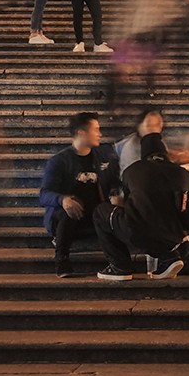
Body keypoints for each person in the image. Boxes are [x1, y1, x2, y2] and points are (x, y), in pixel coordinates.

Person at [94, 133, 189, 280]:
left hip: (140, 232)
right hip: (177, 234)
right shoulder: (182, 172)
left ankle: (120, 265)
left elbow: (129, 203)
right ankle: (169, 257)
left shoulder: (132, 170)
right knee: (156, 222)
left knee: (100, 212)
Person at [40, 112, 119, 277]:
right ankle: (61, 259)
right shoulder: (59, 161)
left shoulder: (103, 158)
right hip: (69, 217)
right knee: (69, 209)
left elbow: (116, 184)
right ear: (82, 133)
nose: (100, 134)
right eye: (96, 129)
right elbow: (44, 194)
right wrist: (62, 199)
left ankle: (119, 262)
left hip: (96, 214)